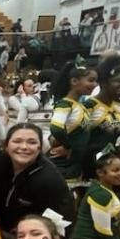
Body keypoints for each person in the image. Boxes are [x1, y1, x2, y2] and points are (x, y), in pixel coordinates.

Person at [0, 122, 75, 239]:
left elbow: (63, 218)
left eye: (32, 142)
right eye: (17, 141)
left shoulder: (48, 179)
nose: (24, 147)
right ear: (6, 146)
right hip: (6, 230)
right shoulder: (0, 164)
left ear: (40, 148)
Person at [48, 61, 97, 190]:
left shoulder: (80, 105)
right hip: (63, 165)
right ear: (74, 81)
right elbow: (56, 128)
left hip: (74, 164)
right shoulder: (65, 104)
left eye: (96, 81)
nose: (95, 85)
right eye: (91, 80)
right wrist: (68, 146)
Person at [82, 52, 120, 178]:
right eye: (119, 81)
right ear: (104, 82)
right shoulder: (89, 106)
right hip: (89, 165)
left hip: (111, 167)